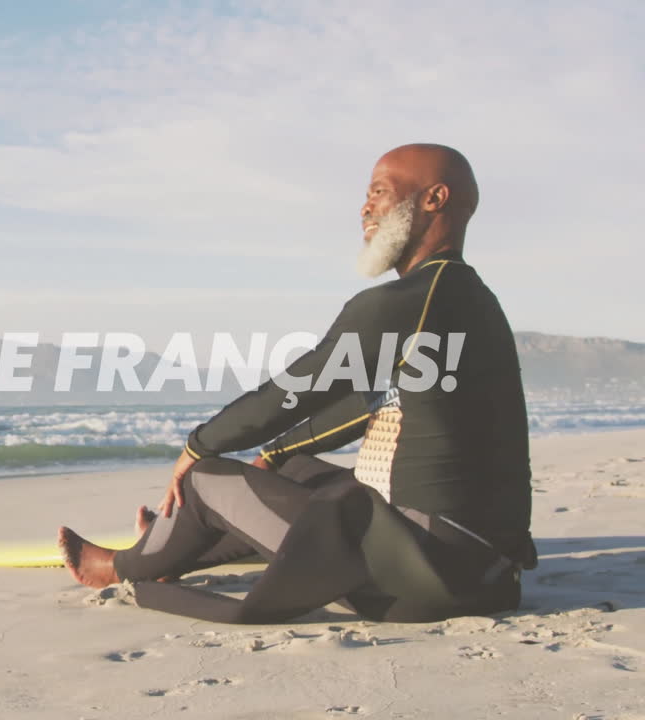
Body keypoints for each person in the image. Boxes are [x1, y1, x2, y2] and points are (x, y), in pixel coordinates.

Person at [58, 144, 537, 624]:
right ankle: (178, 545)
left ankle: (120, 565)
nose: (365, 208)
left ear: (434, 199)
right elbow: (367, 405)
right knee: (296, 472)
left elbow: (299, 389)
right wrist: (279, 452)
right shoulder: (468, 298)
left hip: (417, 579)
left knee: (205, 480)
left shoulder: (409, 299)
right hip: (485, 575)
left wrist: (196, 447)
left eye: (380, 192)